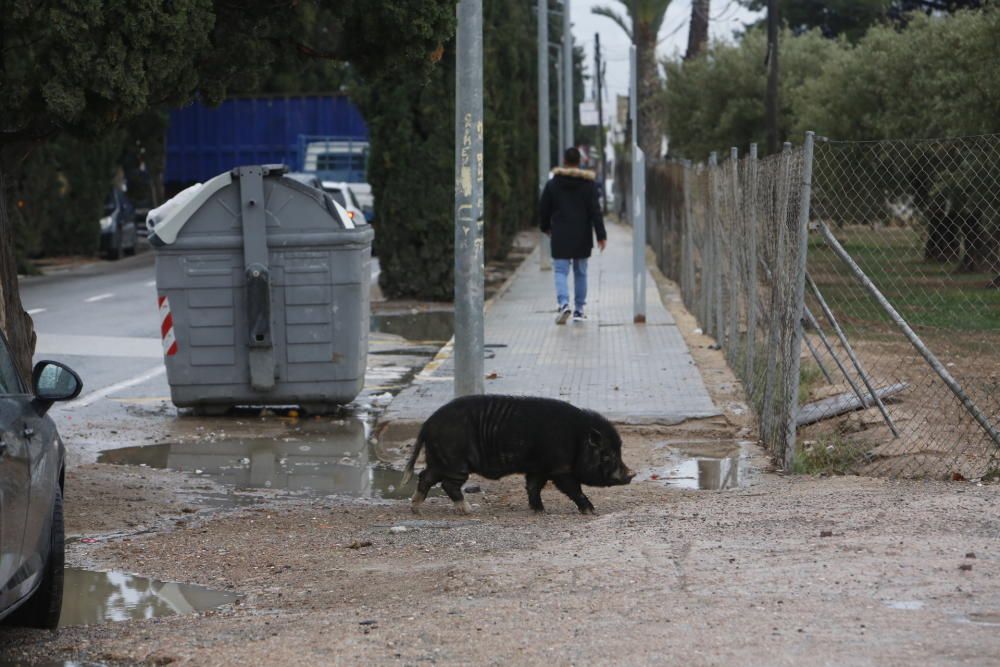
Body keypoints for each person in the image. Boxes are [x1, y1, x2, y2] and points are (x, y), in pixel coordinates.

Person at [538, 147, 607, 324]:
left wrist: (545, 227)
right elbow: (595, 211)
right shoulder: (589, 185)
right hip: (582, 234)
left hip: (560, 234)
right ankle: (579, 309)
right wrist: (601, 235)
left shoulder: (553, 184)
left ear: (564, 161)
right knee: (581, 272)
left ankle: (563, 304)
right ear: (580, 162)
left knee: (560, 271)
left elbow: (544, 208)